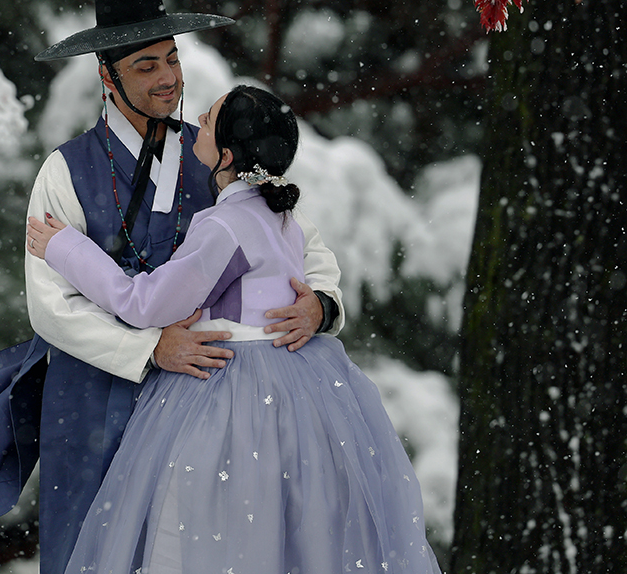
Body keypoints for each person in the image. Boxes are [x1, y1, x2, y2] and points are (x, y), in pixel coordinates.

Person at [26, 85, 442, 574]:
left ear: (225, 154)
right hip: (301, 386)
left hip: (231, 386)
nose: (196, 119)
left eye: (208, 121)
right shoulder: (276, 210)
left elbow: (146, 303)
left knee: (202, 528)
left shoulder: (225, 226)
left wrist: (67, 249)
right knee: (289, 529)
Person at [26, 0, 344, 574]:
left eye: (172, 58)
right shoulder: (64, 171)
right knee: (91, 553)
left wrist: (320, 305)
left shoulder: (226, 159)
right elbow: (50, 304)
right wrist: (149, 349)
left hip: (212, 409)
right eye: (146, 66)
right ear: (106, 76)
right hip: (96, 395)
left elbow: (308, 249)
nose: (168, 78)